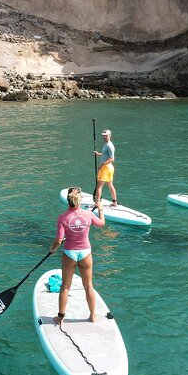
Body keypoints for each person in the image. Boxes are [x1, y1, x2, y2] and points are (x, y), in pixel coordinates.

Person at [50, 187, 105, 326]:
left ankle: (60, 318)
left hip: (69, 254)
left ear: (68, 201)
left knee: (65, 287)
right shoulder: (88, 214)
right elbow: (101, 223)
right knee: (89, 287)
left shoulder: (62, 217)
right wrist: (100, 208)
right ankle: (93, 315)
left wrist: (52, 249)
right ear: (79, 201)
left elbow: (58, 239)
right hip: (85, 253)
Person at [94, 129, 118, 207]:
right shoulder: (106, 144)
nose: (104, 137)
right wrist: (98, 154)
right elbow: (105, 155)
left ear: (110, 136)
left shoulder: (109, 146)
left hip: (106, 168)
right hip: (109, 168)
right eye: (103, 136)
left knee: (99, 186)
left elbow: (112, 159)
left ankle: (97, 203)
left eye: (106, 136)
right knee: (110, 185)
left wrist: (102, 165)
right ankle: (114, 202)